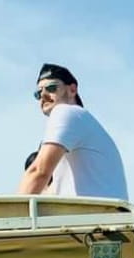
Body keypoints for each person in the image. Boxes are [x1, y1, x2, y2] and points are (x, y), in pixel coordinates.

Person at [18, 63, 128, 200]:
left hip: (95, 216)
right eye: (38, 93)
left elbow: (38, 172)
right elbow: (49, 193)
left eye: (51, 88)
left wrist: (9, 217)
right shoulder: (82, 123)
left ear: (72, 90)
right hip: (104, 214)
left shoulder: (66, 111)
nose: (44, 96)